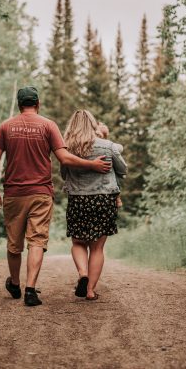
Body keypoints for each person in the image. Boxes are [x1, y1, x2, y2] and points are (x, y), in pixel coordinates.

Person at [0, 87, 112, 307]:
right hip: (41, 193)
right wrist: (92, 164)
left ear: (19, 105)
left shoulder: (5, 126)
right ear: (38, 103)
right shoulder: (48, 125)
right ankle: (30, 291)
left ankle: (15, 283)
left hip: (14, 194)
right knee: (36, 241)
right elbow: (64, 158)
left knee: (14, 243)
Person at [61, 110, 127, 300]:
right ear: (93, 125)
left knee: (78, 242)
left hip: (78, 199)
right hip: (104, 199)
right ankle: (90, 290)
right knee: (97, 248)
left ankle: (83, 274)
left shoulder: (67, 149)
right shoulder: (107, 146)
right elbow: (123, 169)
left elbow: (64, 174)